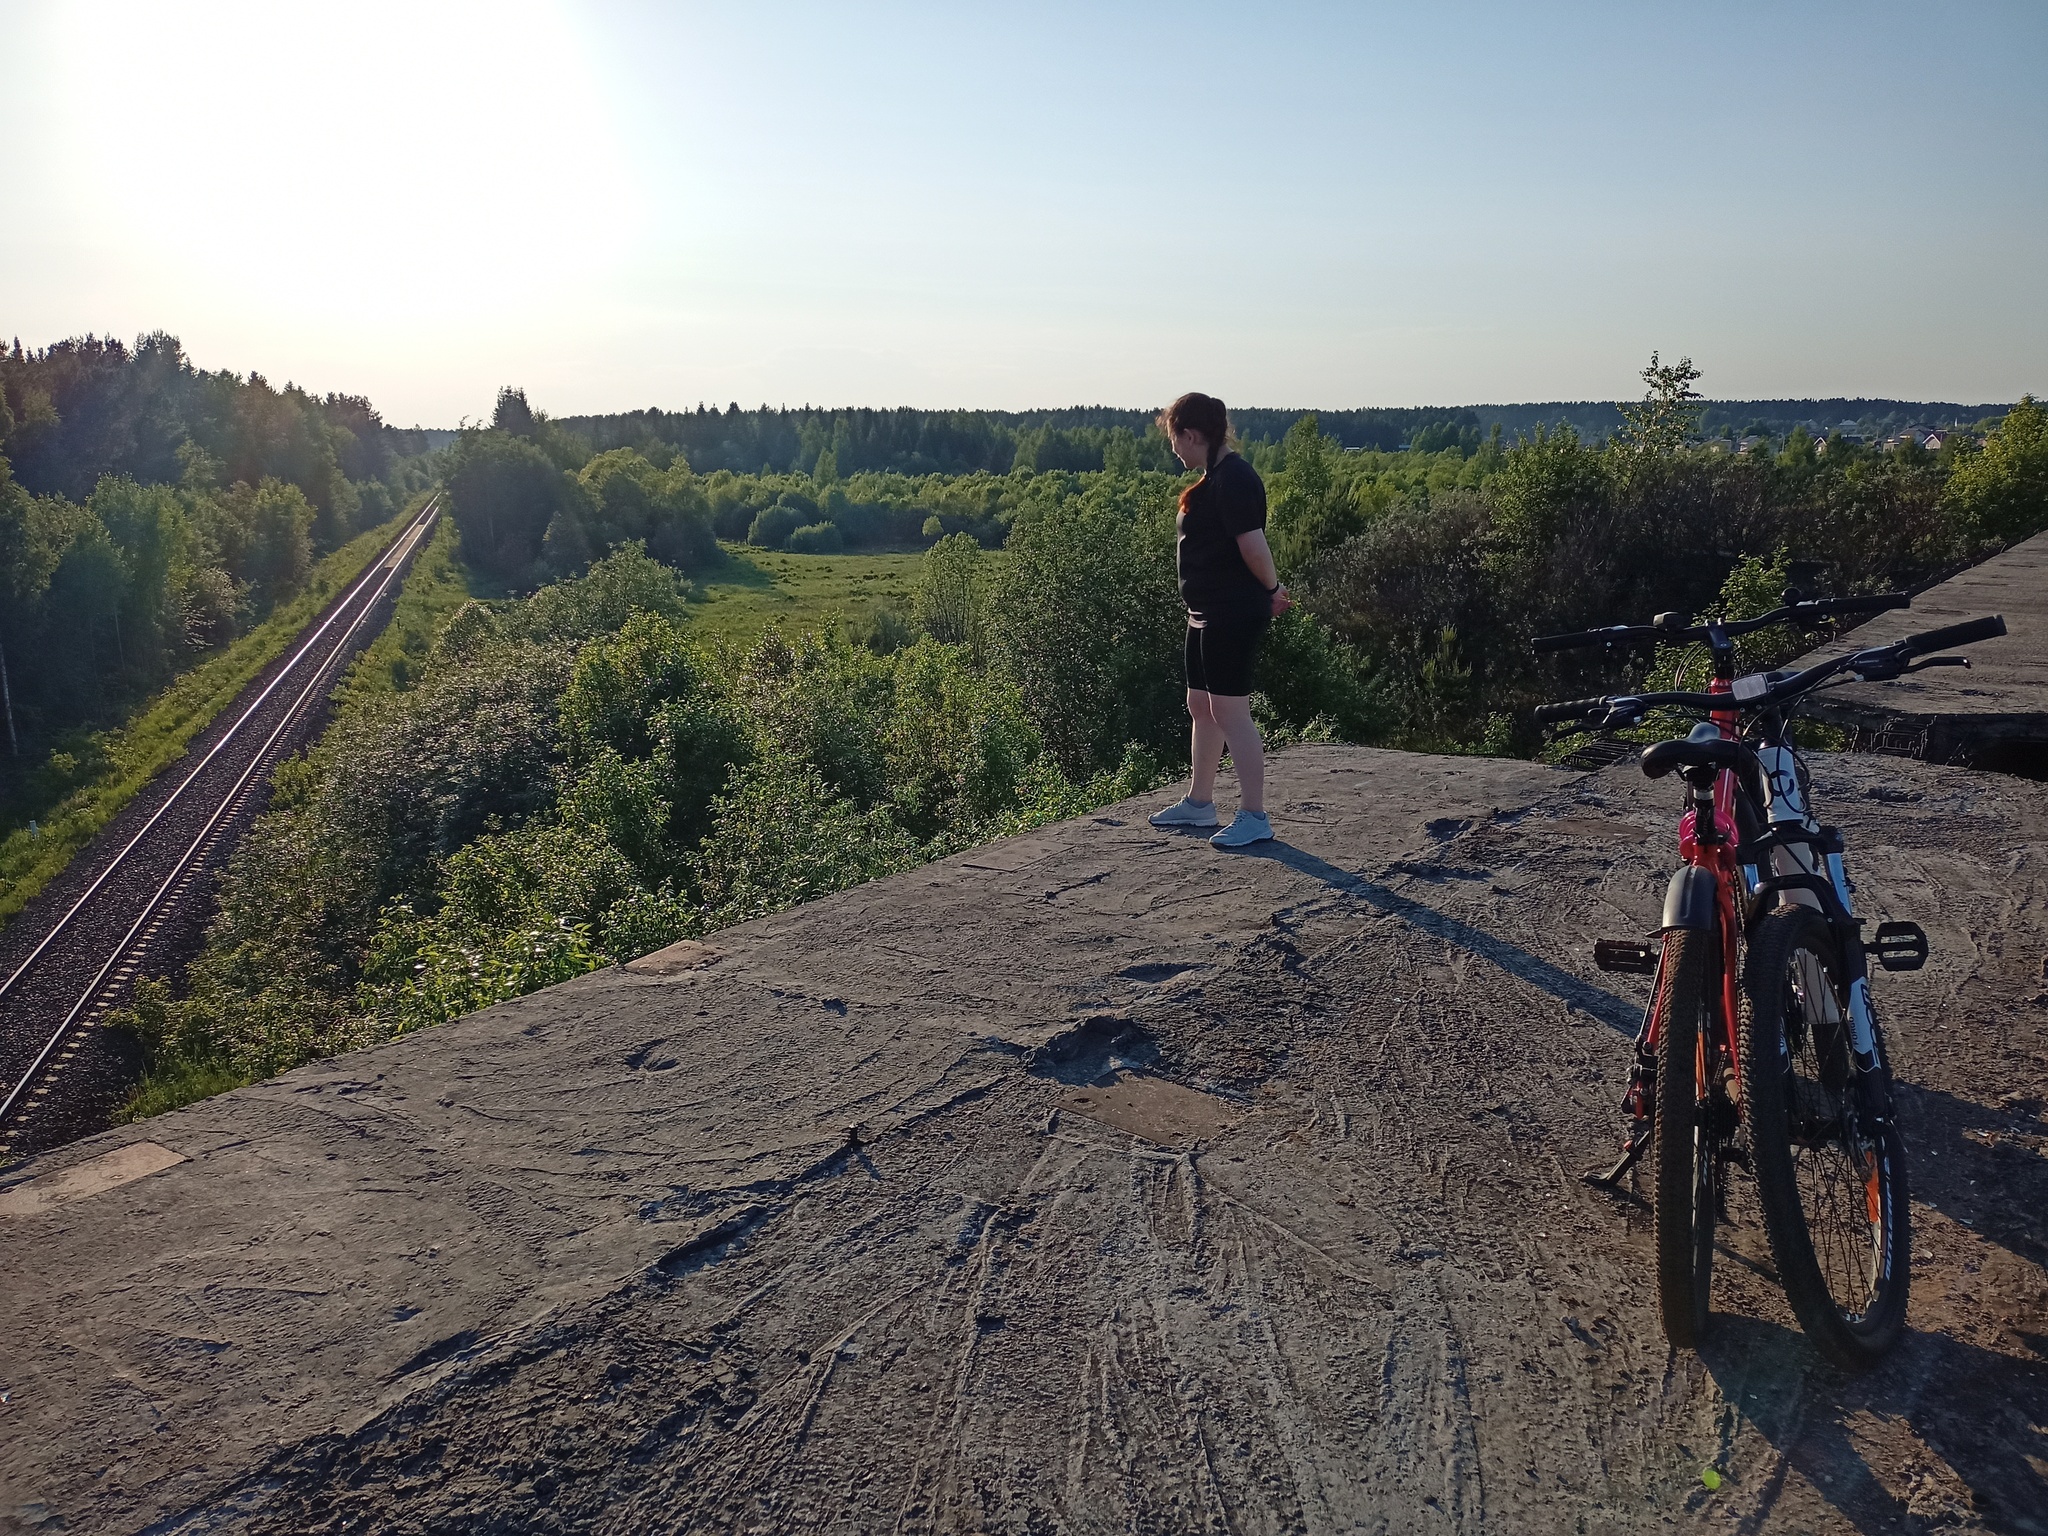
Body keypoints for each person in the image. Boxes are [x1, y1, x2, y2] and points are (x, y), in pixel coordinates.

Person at [1147, 392, 1291, 848]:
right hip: (1204, 614)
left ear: (1192, 435)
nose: (1175, 451)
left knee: (1230, 711)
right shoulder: (1215, 477)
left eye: (1176, 441)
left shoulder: (1235, 479)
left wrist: (1271, 591)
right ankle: (1200, 804)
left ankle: (1254, 815)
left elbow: (1253, 546)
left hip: (1231, 613)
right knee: (1200, 704)